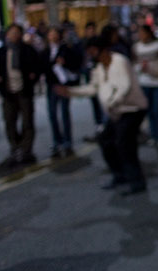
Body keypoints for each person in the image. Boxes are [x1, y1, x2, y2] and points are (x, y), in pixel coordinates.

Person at [58, 36, 148, 195]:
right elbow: (93, 88)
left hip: (131, 110)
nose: (91, 54)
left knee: (124, 144)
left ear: (102, 49)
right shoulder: (99, 68)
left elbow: (124, 87)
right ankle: (119, 174)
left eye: (93, 50)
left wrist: (112, 102)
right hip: (116, 112)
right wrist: (71, 92)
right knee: (105, 140)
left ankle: (136, 181)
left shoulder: (119, 61)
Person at [0, 23, 40, 166]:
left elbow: (36, 67)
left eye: (17, 32)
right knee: (9, 121)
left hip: (24, 91)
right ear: (7, 35)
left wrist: (33, 78)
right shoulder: (2, 51)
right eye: (11, 32)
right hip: (8, 92)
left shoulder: (27, 50)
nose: (14, 35)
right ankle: (15, 147)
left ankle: (26, 150)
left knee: (27, 121)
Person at [41, 26, 81, 158]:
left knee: (64, 113)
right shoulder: (46, 51)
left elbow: (75, 63)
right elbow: (43, 67)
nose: (53, 36)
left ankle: (67, 142)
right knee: (52, 114)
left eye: (55, 34)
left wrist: (64, 62)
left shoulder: (66, 49)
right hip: (51, 85)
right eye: (50, 34)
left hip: (63, 85)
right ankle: (56, 141)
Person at [133, 25, 158, 148]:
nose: (141, 35)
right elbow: (134, 65)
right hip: (145, 82)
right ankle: (153, 136)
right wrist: (140, 68)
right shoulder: (137, 47)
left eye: (143, 33)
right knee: (150, 112)